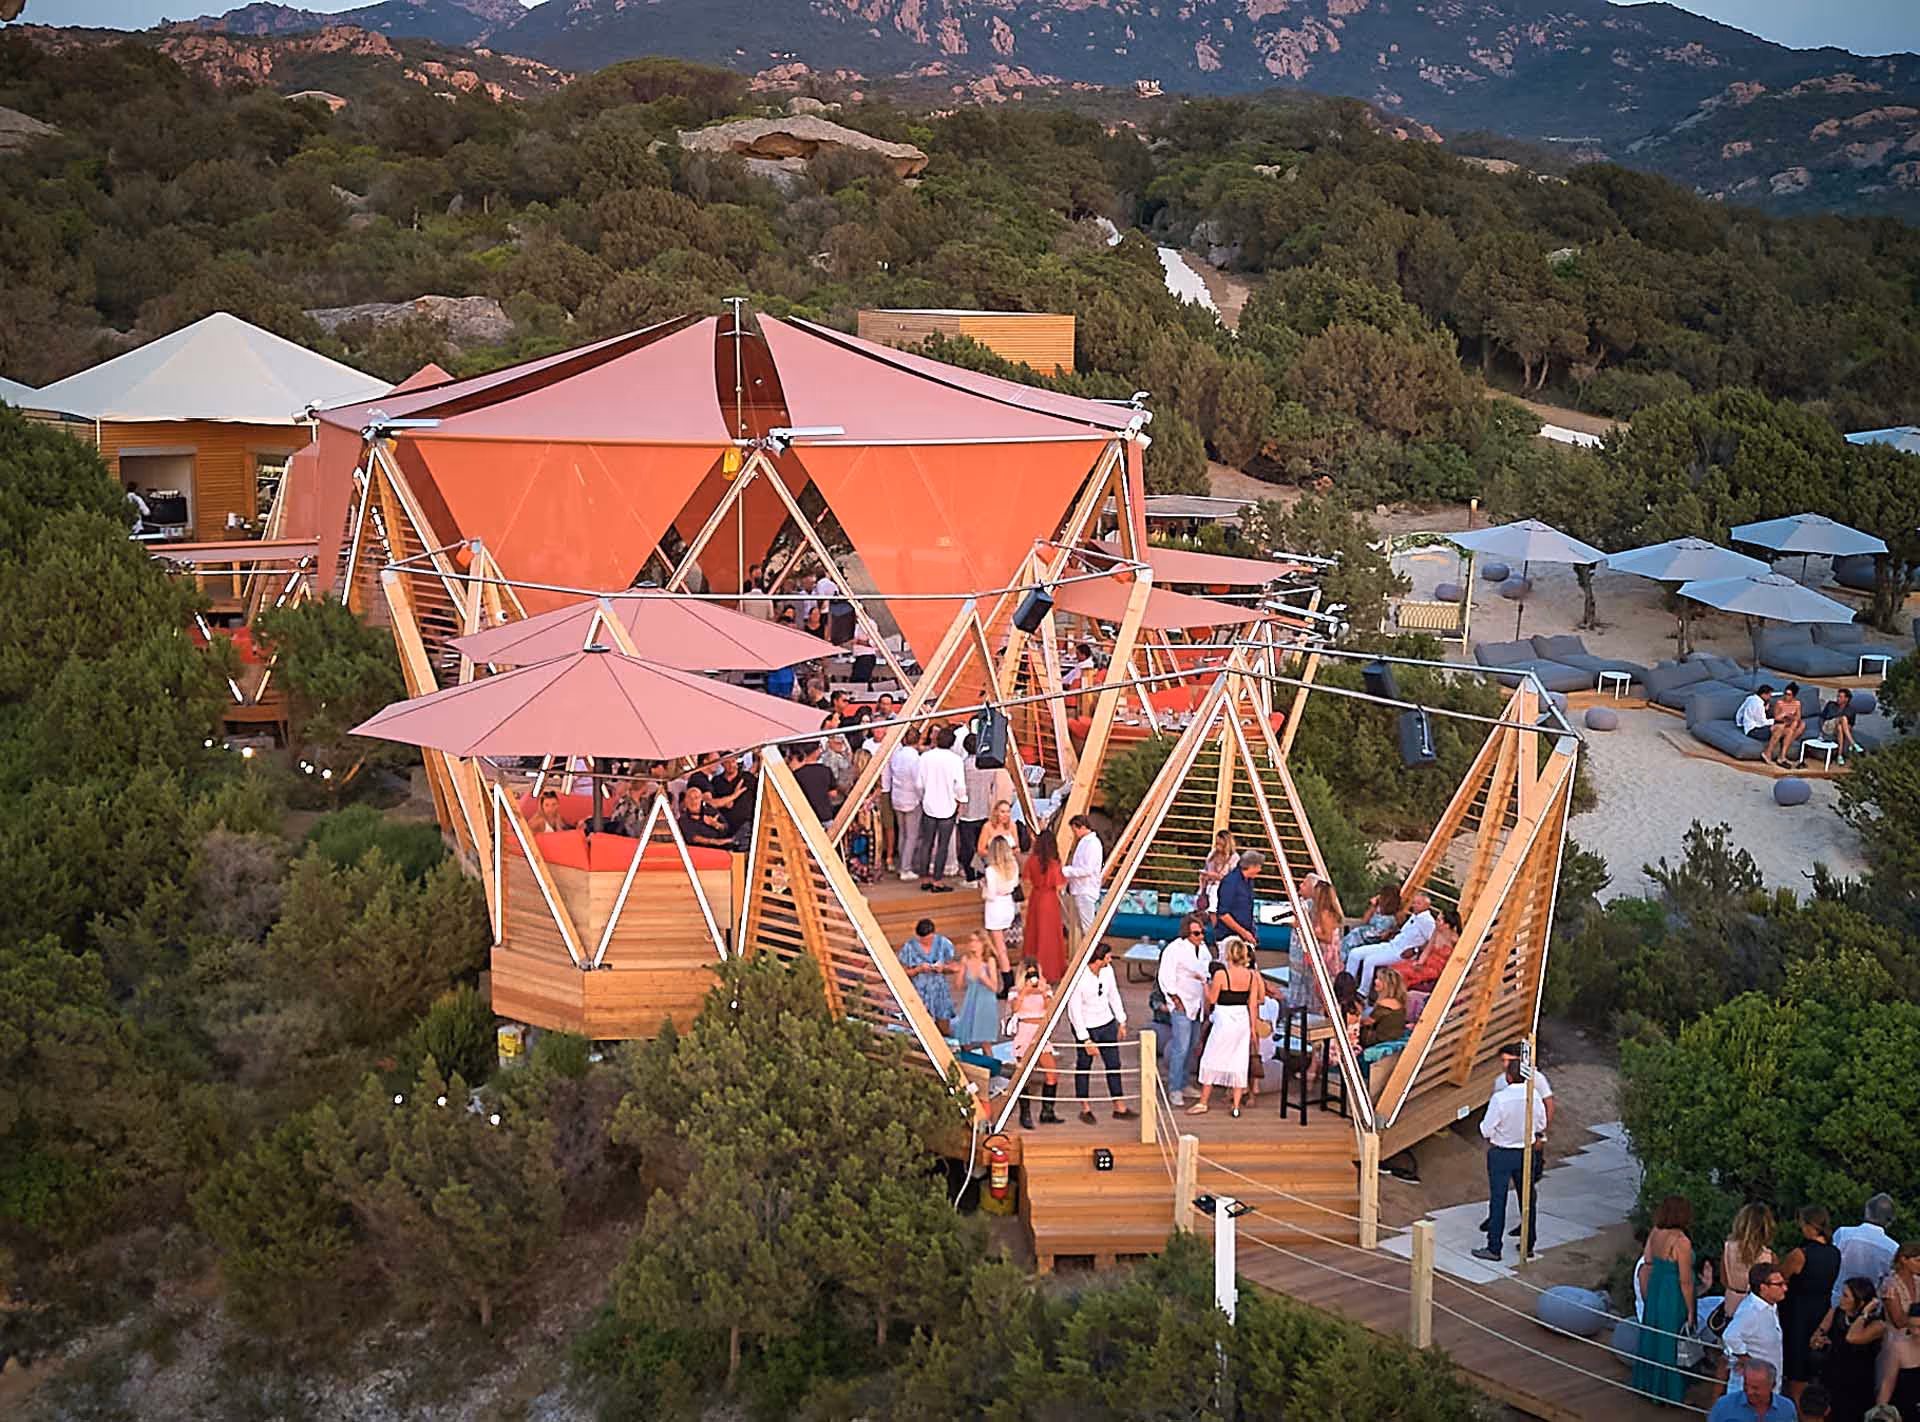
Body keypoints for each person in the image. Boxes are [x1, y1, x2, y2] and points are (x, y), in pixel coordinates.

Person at [1473, 1057, 1546, 1262]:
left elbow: (1486, 1129)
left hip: (1502, 1151)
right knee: (1527, 1197)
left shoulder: (1500, 1099)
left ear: (1508, 1077)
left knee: (1498, 1199)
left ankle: (1494, 1246)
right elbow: (1541, 1124)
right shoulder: (1535, 1096)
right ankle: (1528, 1243)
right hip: (1525, 1151)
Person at [1636, 1194, 1699, 1404]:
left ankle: (1647, 1384)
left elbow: (1647, 1260)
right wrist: (1691, 1310)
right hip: (1672, 1292)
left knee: (1654, 1334)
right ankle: (1667, 1391)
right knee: (1670, 1338)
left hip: (1656, 1286)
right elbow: (1685, 1281)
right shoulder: (1682, 1242)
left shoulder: (1655, 1232)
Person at [1189, 937, 1262, 1118]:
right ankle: (1236, 1106)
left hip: (1224, 1019)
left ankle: (1203, 1102)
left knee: (1211, 1058)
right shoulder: (1252, 976)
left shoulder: (1222, 975)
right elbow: (1253, 1004)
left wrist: (1205, 984)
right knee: (1239, 1061)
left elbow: (1212, 1000)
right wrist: (1253, 1028)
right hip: (1242, 1020)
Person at [1783, 1207, 1844, 1401]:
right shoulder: (1835, 1253)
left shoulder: (1800, 1254)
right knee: (1816, 1366)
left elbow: (1781, 1277)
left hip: (1799, 1312)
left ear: (1810, 1226)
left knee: (1797, 1368)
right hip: (1822, 1309)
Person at [1066, 942, 1130, 1122]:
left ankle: (1119, 1105)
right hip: (1087, 1026)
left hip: (1107, 1022)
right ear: (1098, 959)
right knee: (1084, 1066)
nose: (1110, 959)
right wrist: (1085, 1039)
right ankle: (1085, 1107)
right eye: (1108, 956)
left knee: (1114, 1063)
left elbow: (1113, 995)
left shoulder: (1108, 971)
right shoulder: (1078, 977)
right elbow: (1074, 1011)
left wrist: (1121, 1020)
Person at [1156, 914, 1210, 1105]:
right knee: (1180, 1047)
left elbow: (1206, 973)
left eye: (1202, 932)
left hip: (1198, 1004)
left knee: (1192, 1046)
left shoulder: (1203, 950)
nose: (1200, 936)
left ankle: (1185, 1082)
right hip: (1182, 1003)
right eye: (1196, 933)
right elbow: (1165, 976)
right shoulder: (1174, 949)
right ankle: (1174, 1088)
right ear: (1187, 932)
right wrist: (1174, 998)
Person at [1815, 1278, 1883, 1422]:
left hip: (1857, 1383)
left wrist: (1864, 1313)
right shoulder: (1835, 1312)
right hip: (1832, 1377)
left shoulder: (1877, 1324)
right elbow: (1818, 1333)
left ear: (1860, 1301)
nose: (1841, 1298)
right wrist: (1819, 1340)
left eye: (1846, 1296)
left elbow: (1852, 1337)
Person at [1346, 890, 1435, 994]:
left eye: (1418, 903)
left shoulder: (1428, 921)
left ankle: (1362, 992)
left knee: (1370, 961)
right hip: (1392, 944)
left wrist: (1415, 950)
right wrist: (1391, 932)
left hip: (1401, 952)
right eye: (1414, 902)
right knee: (1355, 953)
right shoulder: (1416, 915)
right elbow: (1404, 931)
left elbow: (1430, 942)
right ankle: (1346, 985)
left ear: (1426, 905)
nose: (1414, 905)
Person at [1008, 962, 1062, 1129]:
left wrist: (1044, 991)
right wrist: (1024, 991)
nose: (1032, 978)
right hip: (1024, 1031)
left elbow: (1050, 1009)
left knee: (1052, 1074)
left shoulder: (1044, 989)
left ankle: (1047, 1112)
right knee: (1024, 1074)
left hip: (1041, 1033)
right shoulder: (1014, 992)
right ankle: (1025, 1114)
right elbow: (1015, 1009)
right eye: (1029, 974)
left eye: (1035, 974)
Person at [1725, 1263, 1792, 1395]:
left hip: (1767, 1386)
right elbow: (1730, 1336)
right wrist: (1747, 1361)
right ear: (1763, 1288)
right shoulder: (1751, 1311)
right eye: (1779, 1285)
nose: (1785, 1288)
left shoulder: (1771, 1306)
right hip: (1751, 1390)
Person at [914, 726, 967, 892]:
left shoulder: (925, 757)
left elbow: (918, 784)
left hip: (929, 804)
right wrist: (961, 800)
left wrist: (923, 797)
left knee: (927, 843)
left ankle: (924, 877)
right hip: (948, 806)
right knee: (942, 844)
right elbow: (960, 786)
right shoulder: (956, 760)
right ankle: (937, 879)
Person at [1724, 1205, 1782, 1341]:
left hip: (1732, 1303)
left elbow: (1724, 1278)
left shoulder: (1728, 1248)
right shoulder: (1768, 1256)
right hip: (1758, 1310)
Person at [1833, 1196, 1899, 1307]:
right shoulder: (1893, 1248)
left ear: (1867, 1211)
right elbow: (1888, 1285)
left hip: (1836, 1301)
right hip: (1869, 1309)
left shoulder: (1843, 1233)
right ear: (1889, 1220)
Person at [1023, 830, 1068, 982]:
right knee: (1050, 936)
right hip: (1049, 900)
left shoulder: (1032, 860)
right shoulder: (1053, 863)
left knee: (1034, 934)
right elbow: (1060, 885)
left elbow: (1027, 880)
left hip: (1036, 898)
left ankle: (1033, 970)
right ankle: (1051, 971)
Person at [898, 918, 955, 1033]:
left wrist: (943, 968)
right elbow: (902, 972)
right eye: (924, 940)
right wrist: (918, 969)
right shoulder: (909, 947)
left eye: (930, 939)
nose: (927, 942)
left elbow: (954, 967)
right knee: (922, 1027)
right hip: (919, 992)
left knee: (944, 1024)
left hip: (940, 991)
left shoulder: (943, 943)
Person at [949, 933, 1002, 1051]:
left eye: (977, 941)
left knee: (985, 1042)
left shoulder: (989, 961)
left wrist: (983, 977)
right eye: (971, 940)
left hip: (985, 1001)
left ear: (983, 943)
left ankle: (991, 1067)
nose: (973, 944)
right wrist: (958, 972)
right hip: (970, 1000)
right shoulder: (966, 959)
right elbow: (959, 986)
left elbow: (995, 987)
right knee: (965, 1039)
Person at [980, 838, 1020, 987]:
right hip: (1008, 903)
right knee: (1002, 947)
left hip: (995, 906)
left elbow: (990, 894)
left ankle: (1008, 982)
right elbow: (1015, 884)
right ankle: (1006, 977)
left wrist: (983, 888)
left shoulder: (991, 870)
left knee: (1000, 949)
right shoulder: (1014, 866)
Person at [886, 727, 924, 880]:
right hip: (911, 799)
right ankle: (905, 867)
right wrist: (922, 797)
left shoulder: (897, 755)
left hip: (897, 796)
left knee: (903, 833)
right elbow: (918, 782)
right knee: (912, 835)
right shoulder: (915, 758)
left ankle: (903, 863)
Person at [1875, 1292, 1920, 1420]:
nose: (1916, 1332)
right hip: (1905, 1408)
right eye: (1912, 1327)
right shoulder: (1899, 1347)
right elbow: (1887, 1382)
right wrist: (1880, 1411)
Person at [1708, 1360, 1798, 1422]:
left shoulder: (1787, 1408)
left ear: (1772, 1386)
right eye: (1746, 1385)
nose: (1749, 1392)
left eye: (1755, 1388)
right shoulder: (1723, 1405)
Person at [1063, 815, 1104, 939]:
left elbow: (1088, 869)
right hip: (1079, 888)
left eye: (1075, 829)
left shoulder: (1093, 844)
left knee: (1088, 927)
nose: (1074, 833)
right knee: (1081, 926)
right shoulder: (1085, 842)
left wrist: (1067, 871)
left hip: (1086, 889)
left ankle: (1092, 953)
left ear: (1081, 827)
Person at [1212, 848, 1261, 948]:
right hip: (1229, 937)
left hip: (1244, 936)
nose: (1260, 870)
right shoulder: (1230, 882)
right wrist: (1244, 933)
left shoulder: (1249, 881)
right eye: (1259, 866)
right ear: (1251, 866)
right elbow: (1223, 914)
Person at [1341, 884, 1403, 952]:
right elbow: (1364, 921)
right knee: (1345, 926)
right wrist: (1373, 906)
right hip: (1367, 932)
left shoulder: (1396, 914)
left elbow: (1367, 925)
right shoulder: (1379, 908)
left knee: (1350, 937)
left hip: (1371, 937)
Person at [791, 742, 837, 823]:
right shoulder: (826, 770)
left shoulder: (797, 774)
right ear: (816, 752)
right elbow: (833, 794)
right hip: (825, 815)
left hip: (806, 818)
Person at [1198, 829, 1237, 917]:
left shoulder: (1234, 858)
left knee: (1214, 910)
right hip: (1208, 887)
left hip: (1223, 889)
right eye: (1217, 843)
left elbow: (1234, 879)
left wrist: (1217, 876)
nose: (1217, 846)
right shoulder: (1212, 854)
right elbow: (1206, 868)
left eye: (1220, 844)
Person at [1767, 685, 1806, 767]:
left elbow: (1798, 717)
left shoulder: (1797, 703)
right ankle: (1782, 755)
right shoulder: (1779, 703)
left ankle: (1783, 752)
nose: (1786, 696)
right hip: (1781, 724)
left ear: (1793, 696)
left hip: (1791, 724)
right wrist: (1784, 716)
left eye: (1789, 694)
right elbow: (1776, 717)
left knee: (1800, 724)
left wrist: (1791, 717)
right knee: (1791, 727)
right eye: (1785, 693)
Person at [1819, 689, 1861, 763]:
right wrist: (1821, 730)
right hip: (1828, 726)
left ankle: (1839, 755)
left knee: (1840, 728)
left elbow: (1851, 725)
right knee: (1843, 718)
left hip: (1838, 729)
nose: (1838, 698)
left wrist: (1845, 726)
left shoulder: (1851, 710)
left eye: (1840, 697)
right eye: (1838, 696)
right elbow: (1822, 717)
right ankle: (1853, 743)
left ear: (1846, 699)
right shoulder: (1831, 704)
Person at [848, 619, 878, 684]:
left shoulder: (870, 623)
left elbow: (874, 642)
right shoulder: (855, 624)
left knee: (860, 681)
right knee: (854, 681)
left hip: (867, 656)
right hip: (857, 657)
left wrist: (858, 641)